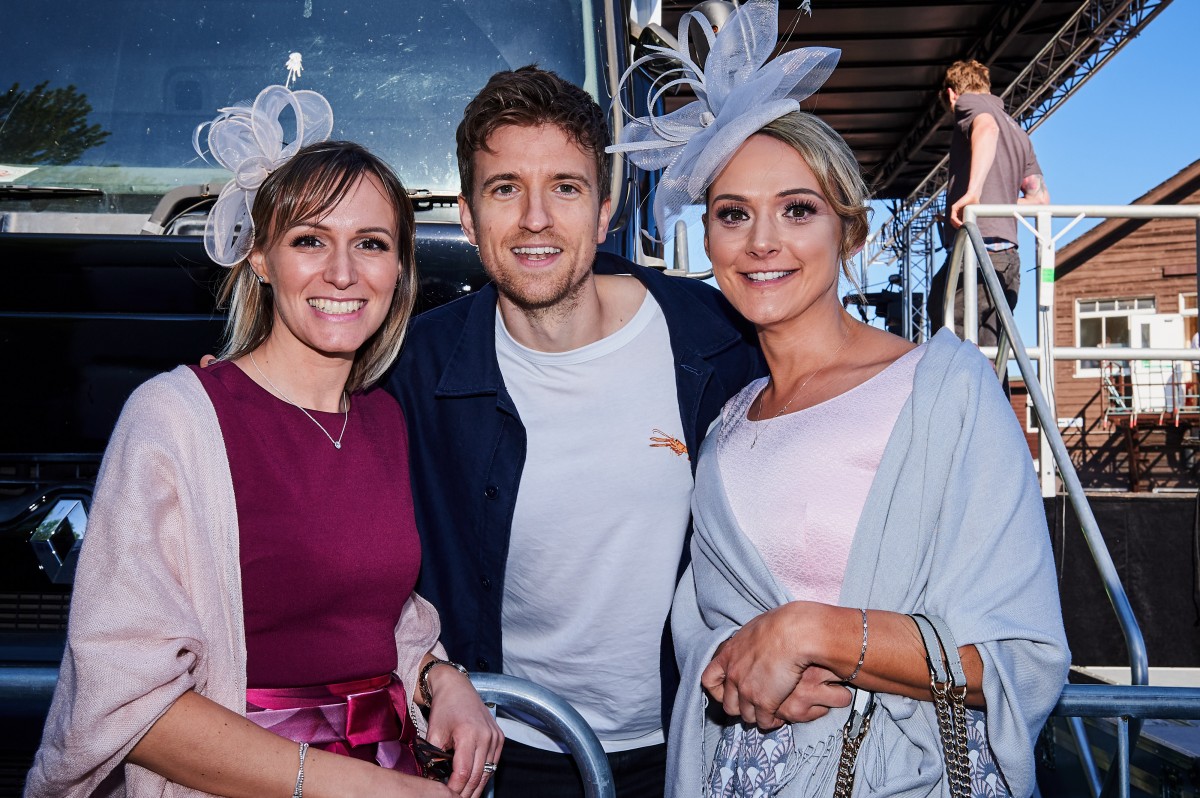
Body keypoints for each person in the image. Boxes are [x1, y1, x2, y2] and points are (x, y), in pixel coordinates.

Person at [610, 3, 1070, 796]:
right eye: (732, 215)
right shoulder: (725, 428)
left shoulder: (946, 392)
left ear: (848, 233)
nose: (762, 241)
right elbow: (707, 641)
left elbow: (1016, 661)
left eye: (797, 210)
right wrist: (738, 671)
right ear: (710, 239)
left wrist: (810, 632)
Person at [26, 85, 500, 798]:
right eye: (310, 240)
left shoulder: (383, 420)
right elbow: (124, 701)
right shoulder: (176, 419)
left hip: (389, 771)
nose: (342, 273)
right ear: (259, 258)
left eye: (370, 244)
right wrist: (350, 786)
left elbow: (375, 612)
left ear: (399, 267)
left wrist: (441, 677)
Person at [385, 65, 761, 797]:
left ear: (605, 210)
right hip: (504, 750)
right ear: (467, 216)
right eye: (504, 190)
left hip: (699, 743)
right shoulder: (414, 368)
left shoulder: (715, 342)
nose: (534, 219)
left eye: (564, 186)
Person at [929, 58, 1050, 350]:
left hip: (978, 252)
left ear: (951, 94)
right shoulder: (1018, 131)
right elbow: (1040, 198)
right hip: (1006, 258)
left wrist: (974, 195)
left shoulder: (969, 104)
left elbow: (987, 129)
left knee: (957, 342)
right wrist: (992, 203)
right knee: (991, 349)